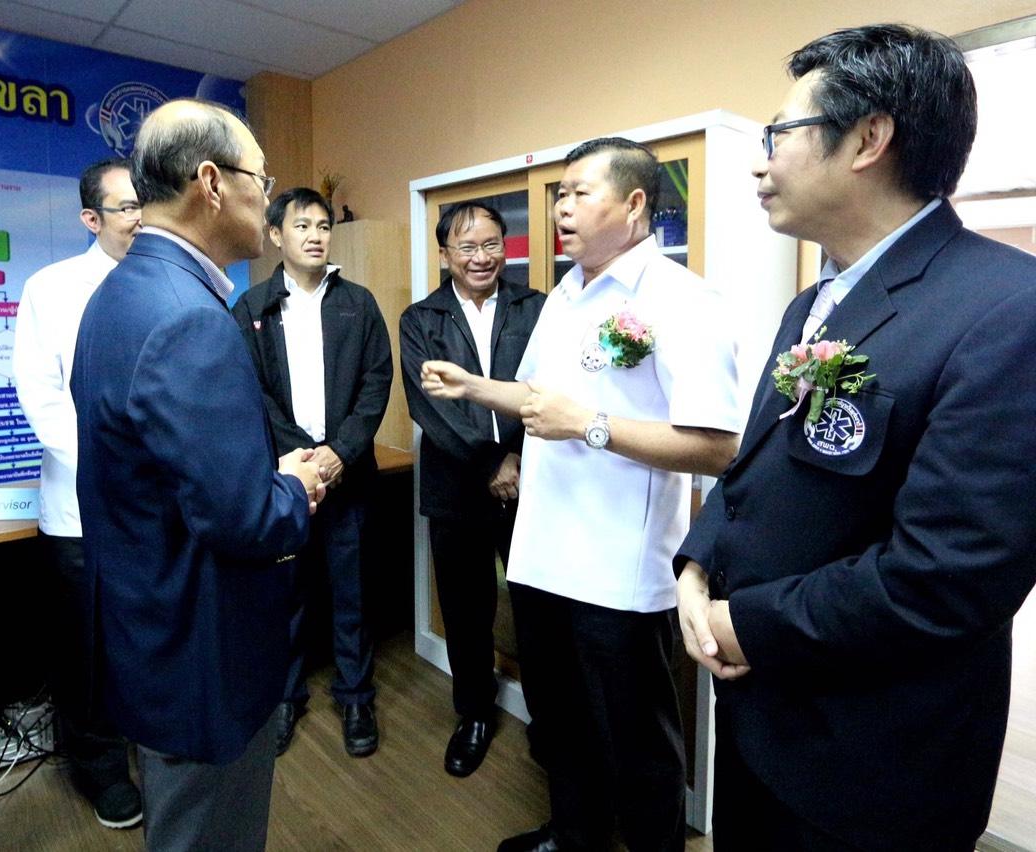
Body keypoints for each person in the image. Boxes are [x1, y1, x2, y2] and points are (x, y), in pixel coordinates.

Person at [674, 24, 1036, 852]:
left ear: (869, 138)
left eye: (780, 134)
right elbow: (757, 464)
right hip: (760, 716)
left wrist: (743, 623)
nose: (761, 163)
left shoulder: (1009, 309)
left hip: (873, 762)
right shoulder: (813, 304)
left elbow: (948, 578)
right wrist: (697, 562)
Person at [422, 137, 740, 851]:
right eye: (559, 194)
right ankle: (575, 837)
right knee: (560, 724)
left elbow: (718, 447)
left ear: (633, 204)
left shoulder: (683, 300)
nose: (561, 208)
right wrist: (475, 387)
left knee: (637, 743)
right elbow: (539, 395)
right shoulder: (566, 294)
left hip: (616, 570)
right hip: (541, 554)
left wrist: (589, 425)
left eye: (578, 193)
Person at [70, 99, 326, 851]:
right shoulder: (189, 314)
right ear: (212, 183)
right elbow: (243, 520)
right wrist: (295, 486)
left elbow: (168, 469)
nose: (268, 201)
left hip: (153, 630)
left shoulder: (121, 293)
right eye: (262, 180)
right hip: (203, 649)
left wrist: (252, 476)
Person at [232, 187, 392, 758]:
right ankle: (284, 696)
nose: (316, 235)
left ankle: (356, 696)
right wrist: (304, 458)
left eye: (324, 226)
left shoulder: (358, 303)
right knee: (286, 595)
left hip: (347, 477)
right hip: (284, 480)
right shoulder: (252, 308)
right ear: (276, 234)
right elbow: (251, 392)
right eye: (302, 226)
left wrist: (339, 453)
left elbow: (377, 382)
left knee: (353, 594)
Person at [12, 157, 143, 828]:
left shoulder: (167, 281)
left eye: (146, 202)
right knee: (87, 650)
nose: (141, 216)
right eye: (126, 206)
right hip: (82, 509)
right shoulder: (52, 287)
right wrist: (110, 470)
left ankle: (154, 747)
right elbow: (40, 394)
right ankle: (100, 769)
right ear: (91, 218)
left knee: (145, 638)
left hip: (159, 510)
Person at [399, 200, 544, 777]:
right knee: (465, 611)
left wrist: (517, 457)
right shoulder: (420, 320)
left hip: (530, 485)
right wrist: (491, 462)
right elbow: (428, 406)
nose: (481, 257)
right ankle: (475, 714)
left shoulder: (535, 308)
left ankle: (548, 720)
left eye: (491, 244)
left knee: (537, 608)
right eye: (467, 247)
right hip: (456, 489)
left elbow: (548, 388)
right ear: (445, 255)